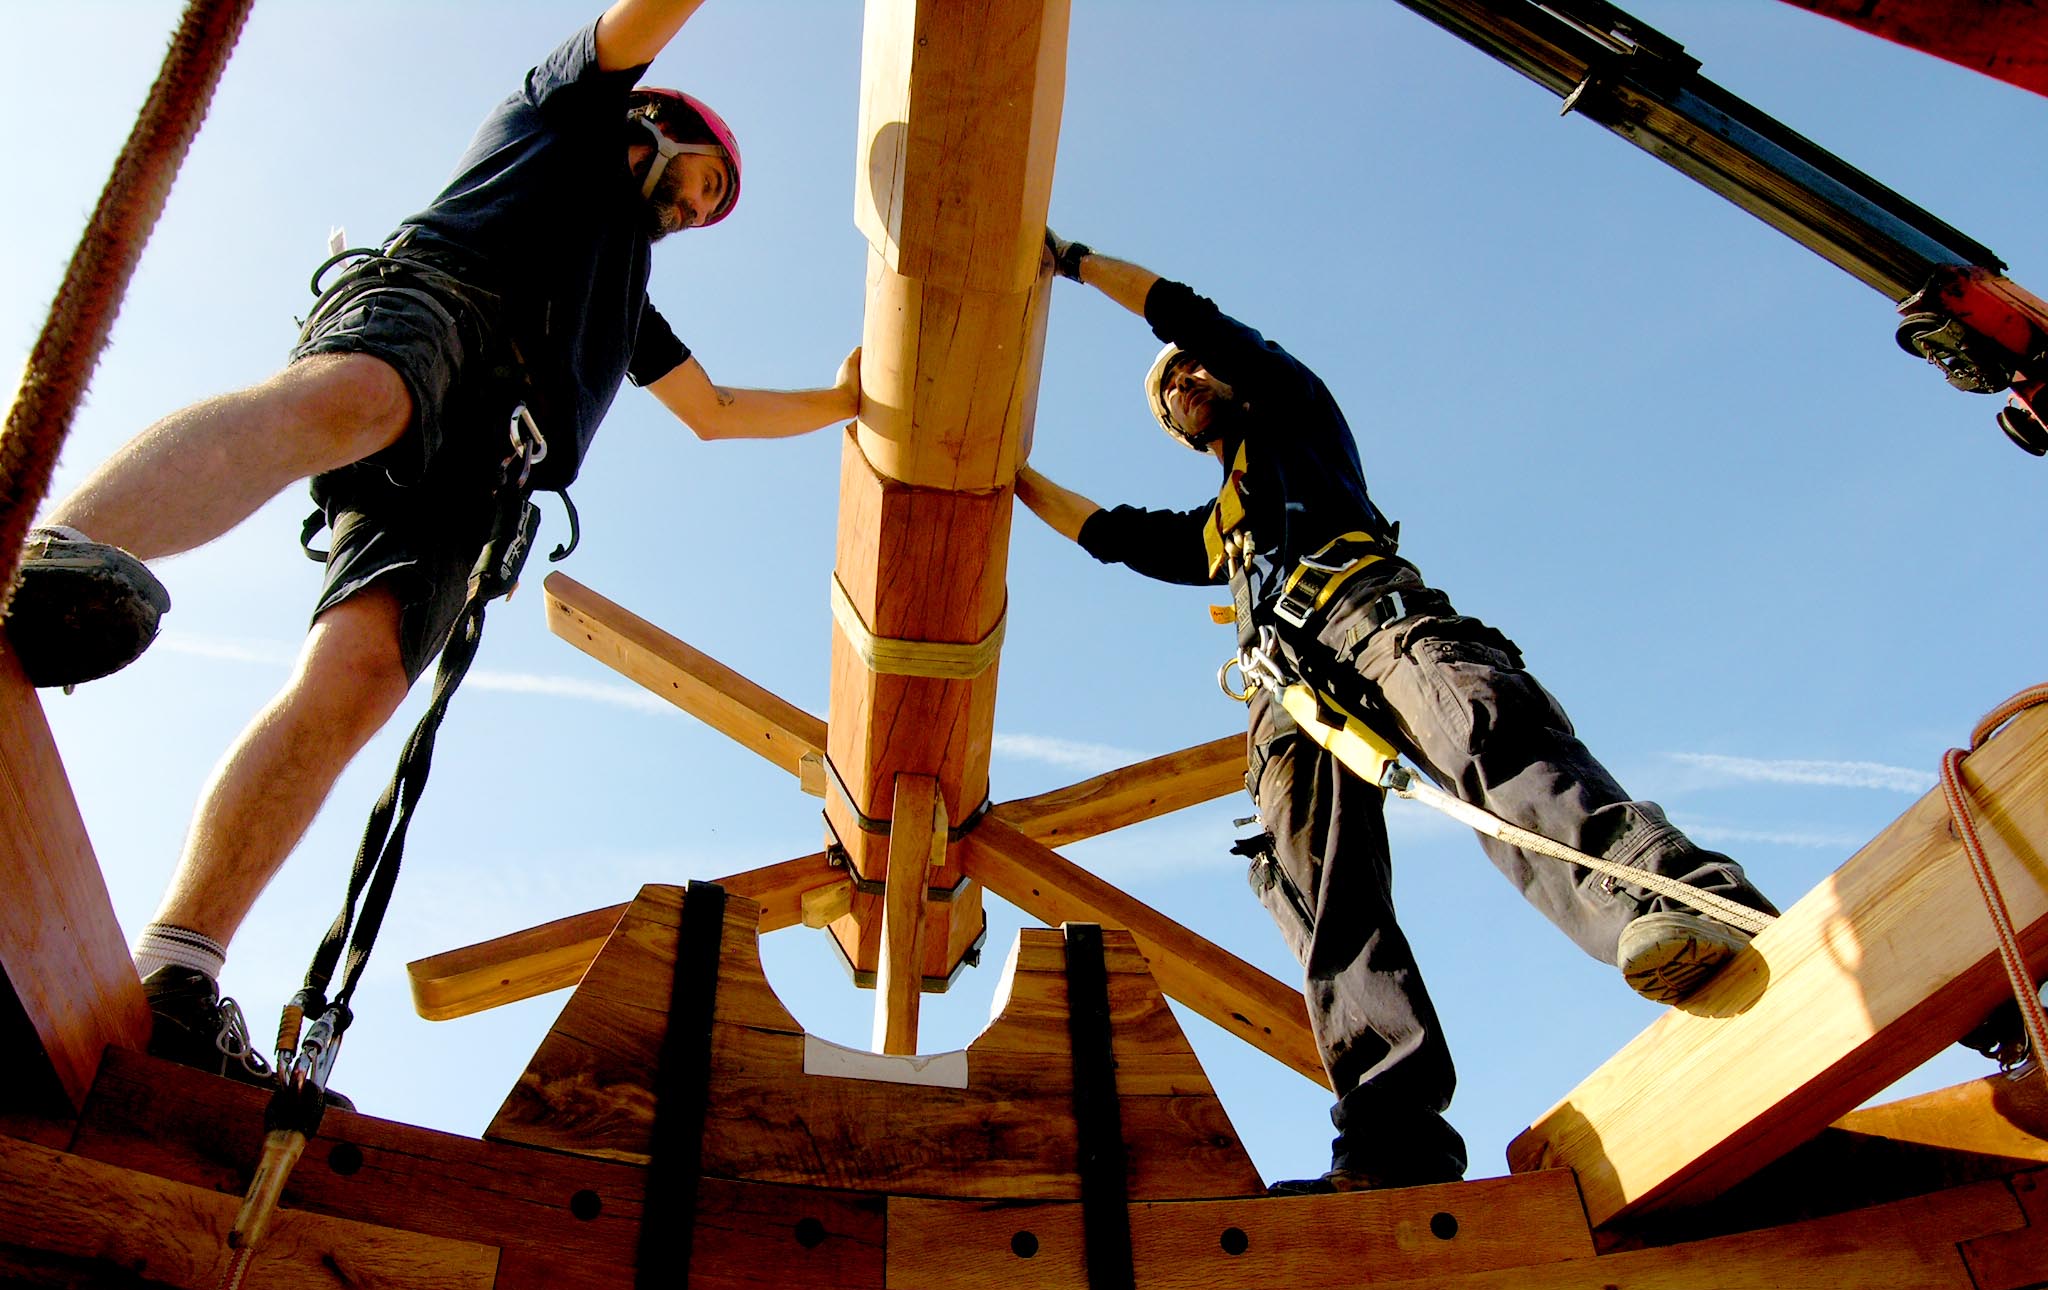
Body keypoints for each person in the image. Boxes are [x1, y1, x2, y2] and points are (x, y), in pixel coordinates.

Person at [3, 0, 862, 1091]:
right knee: (356, 397)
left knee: (360, 678)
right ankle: (64, 548)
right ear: (652, 121)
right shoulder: (561, 113)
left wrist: (841, 401)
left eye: (711, 209)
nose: (697, 210)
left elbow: (715, 409)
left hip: (491, 468)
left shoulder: (622, 293)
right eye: (702, 182)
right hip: (438, 310)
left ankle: (178, 966)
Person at [1015, 234, 1777, 1192]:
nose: (1186, 378)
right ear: (1177, 428)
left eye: (1194, 369)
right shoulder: (1224, 527)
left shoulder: (1294, 411)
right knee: (1323, 896)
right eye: (1171, 387)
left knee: (1486, 744)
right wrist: (1005, 473)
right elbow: (1113, 536)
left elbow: (1190, 313)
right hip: (1285, 693)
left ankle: (1676, 905)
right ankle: (1392, 1139)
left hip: (1369, 615)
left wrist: (1075, 261)